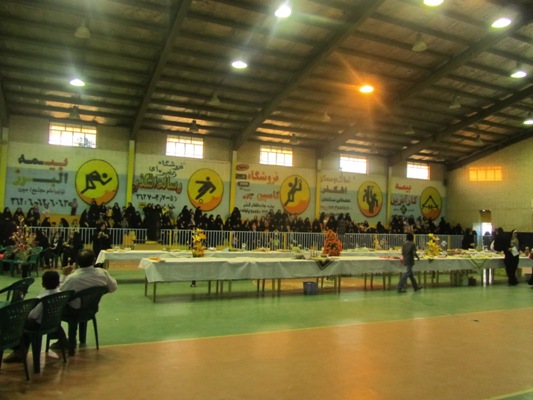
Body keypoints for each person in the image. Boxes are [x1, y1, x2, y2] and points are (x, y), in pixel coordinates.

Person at [51, 249, 117, 353]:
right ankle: (81, 339)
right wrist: (99, 291)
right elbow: (113, 288)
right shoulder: (103, 273)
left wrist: (64, 276)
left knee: (52, 310)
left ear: (77, 262)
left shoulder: (73, 278)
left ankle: (63, 340)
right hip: (91, 309)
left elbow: (59, 295)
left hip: (73, 311)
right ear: (94, 261)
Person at [3, 270, 63, 363]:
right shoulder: (61, 293)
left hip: (38, 324)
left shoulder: (42, 298)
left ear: (43, 284)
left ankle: (18, 350)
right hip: (52, 322)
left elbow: (33, 316)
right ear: (58, 283)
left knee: (14, 323)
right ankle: (21, 350)